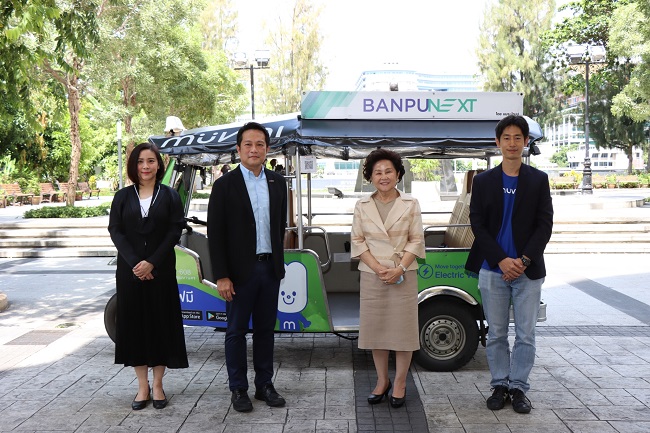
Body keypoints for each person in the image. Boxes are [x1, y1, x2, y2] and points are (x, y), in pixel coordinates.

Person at [465, 115, 553, 414]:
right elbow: (477, 224)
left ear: (526, 142)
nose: (512, 143)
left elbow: (544, 224)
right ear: (498, 142)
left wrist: (524, 260)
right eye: (507, 138)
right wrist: (501, 259)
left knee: (526, 334)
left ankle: (518, 388)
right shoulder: (483, 181)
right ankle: (499, 384)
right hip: (493, 270)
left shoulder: (538, 180)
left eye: (518, 138)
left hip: (528, 271)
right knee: (497, 333)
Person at [207, 122, 288, 413]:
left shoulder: (277, 182)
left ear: (267, 149)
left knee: (266, 331)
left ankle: (264, 385)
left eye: (260, 144)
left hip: (269, 270)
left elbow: (279, 226)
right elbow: (215, 234)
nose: (254, 149)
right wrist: (222, 275)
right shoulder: (224, 185)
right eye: (248, 144)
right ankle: (238, 388)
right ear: (238, 149)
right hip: (239, 274)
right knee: (236, 332)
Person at [108, 142, 188, 410]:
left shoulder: (170, 195)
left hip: (161, 270)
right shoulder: (122, 197)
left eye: (151, 161)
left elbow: (174, 231)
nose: (145, 166)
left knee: (160, 324)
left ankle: (158, 384)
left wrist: (152, 262)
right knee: (135, 326)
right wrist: (136, 263)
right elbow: (116, 230)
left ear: (158, 165)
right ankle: (142, 386)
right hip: (130, 272)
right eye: (141, 161)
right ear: (134, 165)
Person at [350, 148, 425, 409]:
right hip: (373, 276)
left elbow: (416, 240)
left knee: (403, 332)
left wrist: (399, 269)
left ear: (398, 174)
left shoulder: (411, 203)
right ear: (370, 177)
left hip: (403, 273)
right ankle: (382, 381)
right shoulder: (362, 205)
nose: (383, 176)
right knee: (377, 331)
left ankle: (400, 382)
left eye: (388, 171)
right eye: (377, 172)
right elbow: (357, 241)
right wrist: (378, 268)